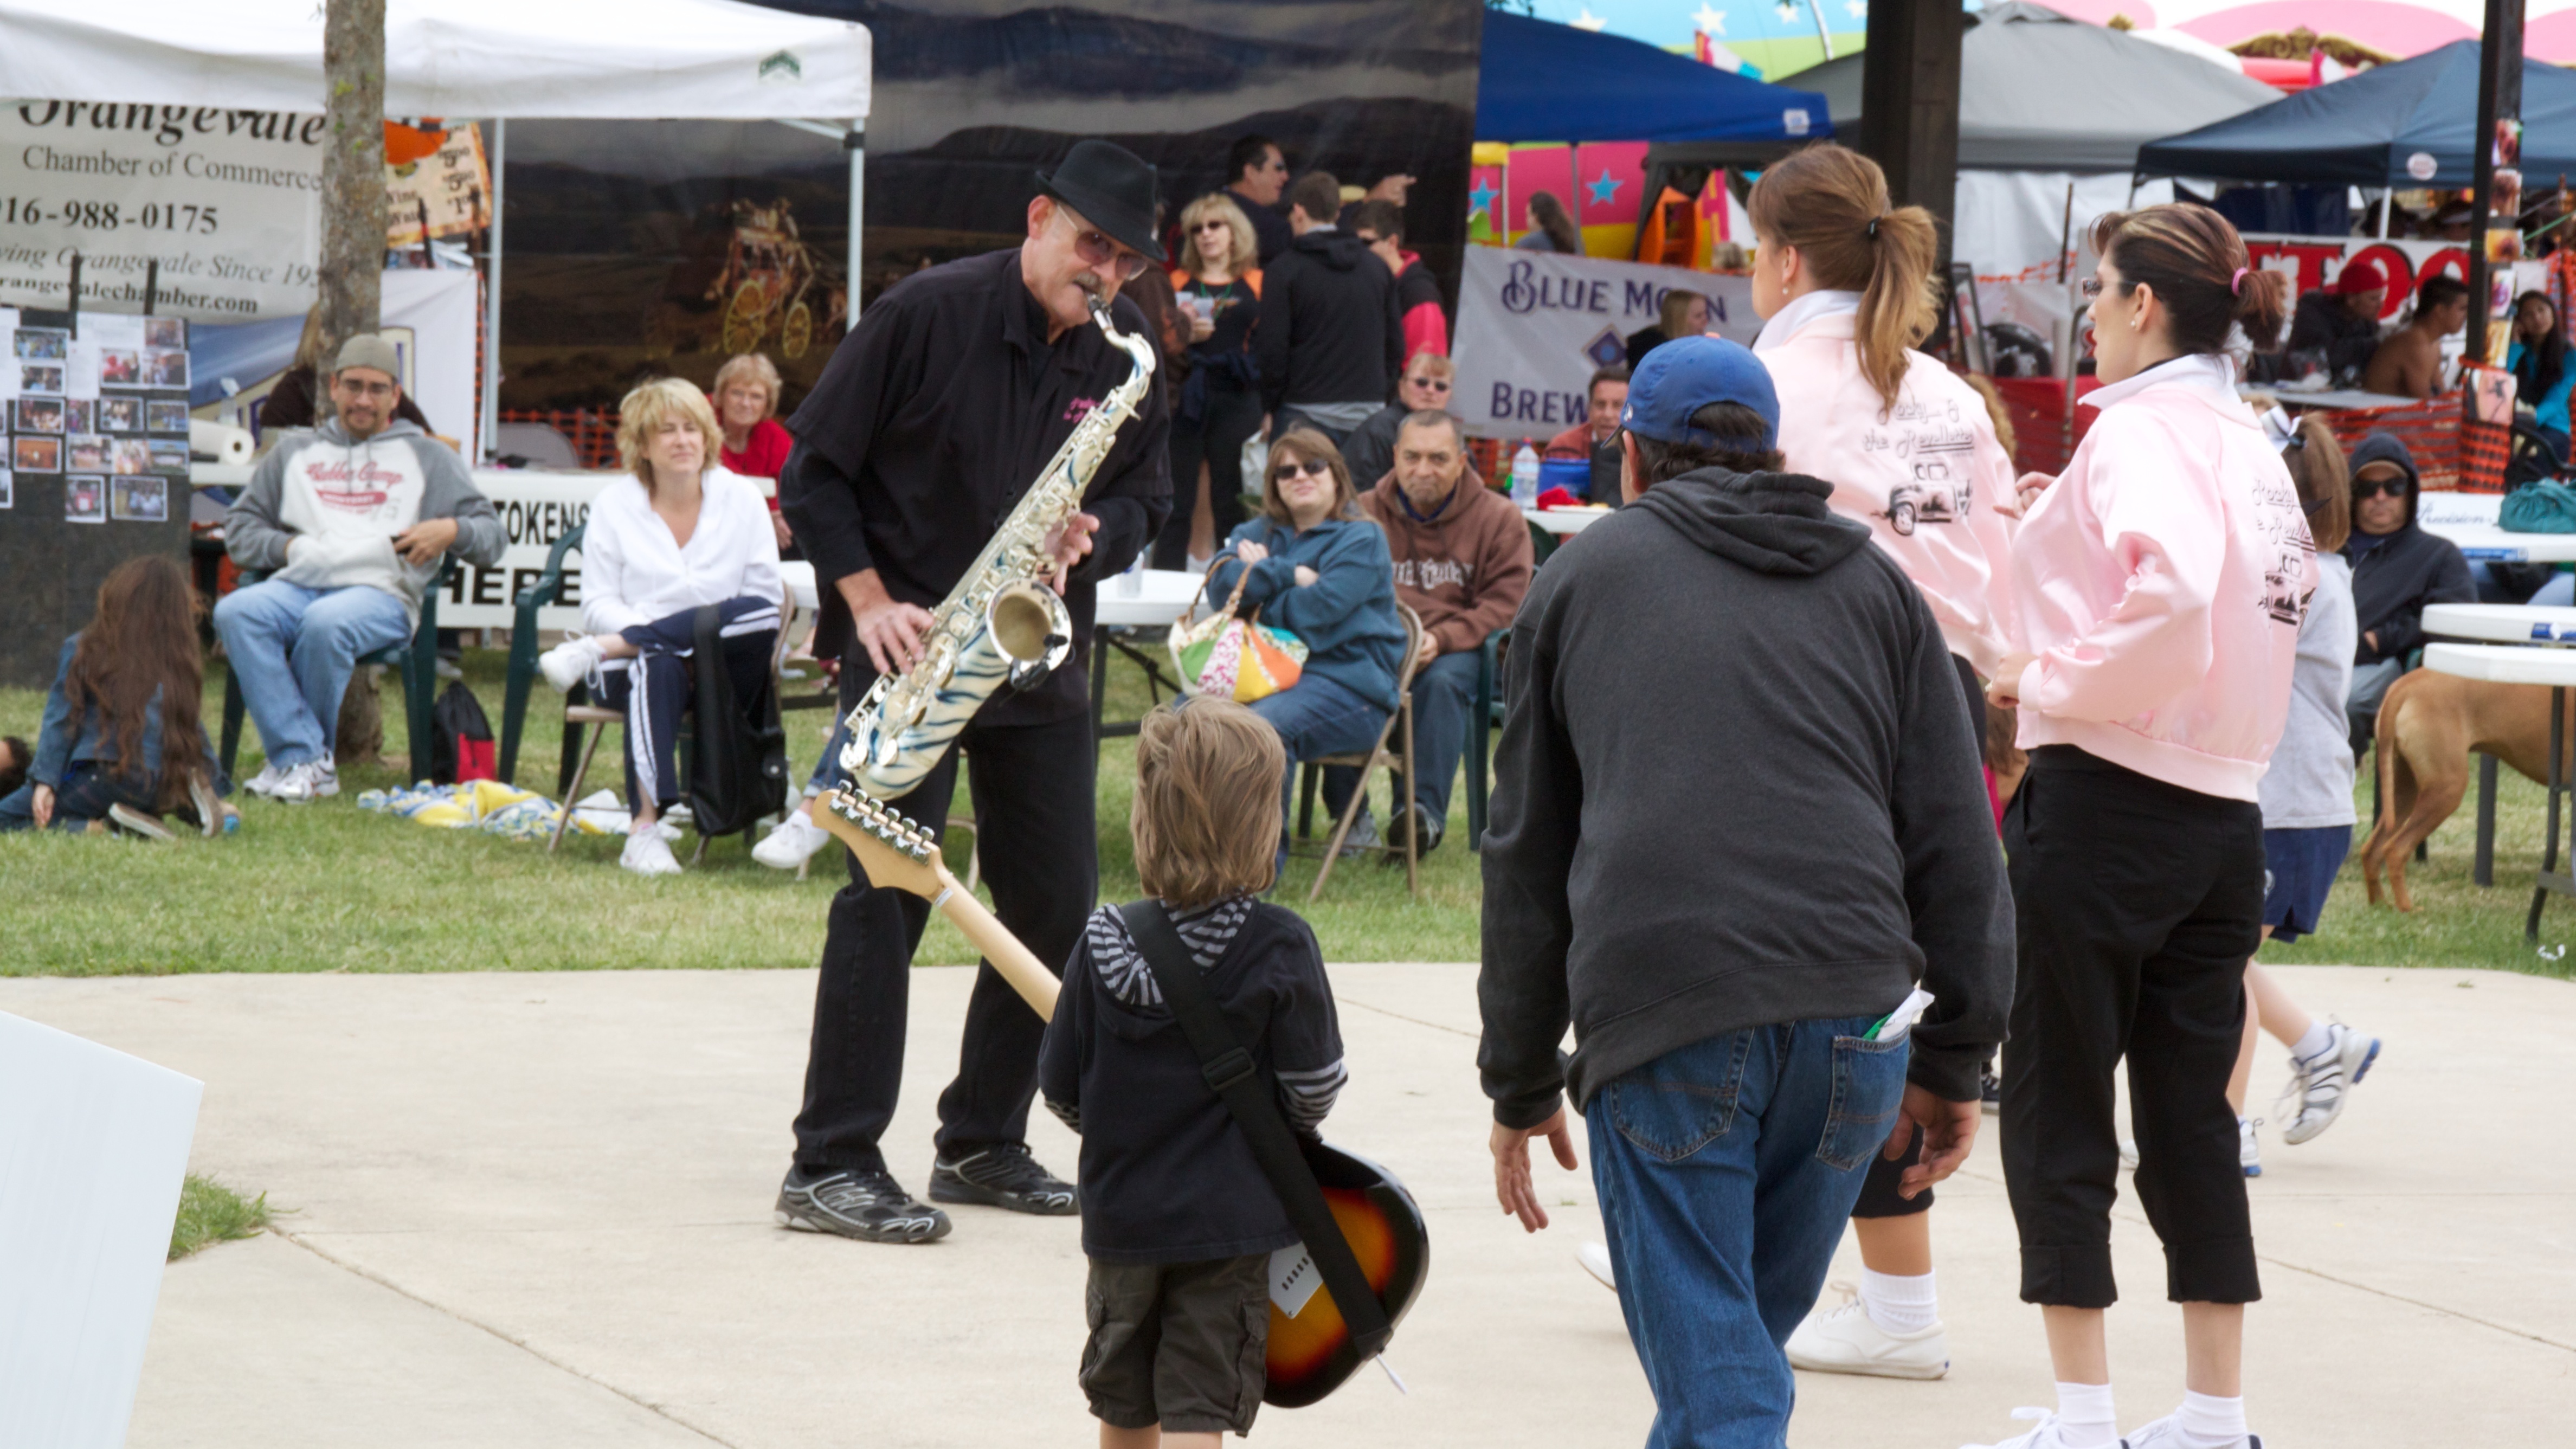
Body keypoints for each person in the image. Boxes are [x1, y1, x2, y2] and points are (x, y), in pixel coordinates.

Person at [1480, 334, 2009, 1449]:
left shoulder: (1583, 575)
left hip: (1671, 1010)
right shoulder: (1879, 582)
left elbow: (1528, 850)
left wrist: (1520, 1075)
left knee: (1725, 1389)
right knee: (1728, 1368)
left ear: (1632, 457)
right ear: (1775, 453)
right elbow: (1956, 838)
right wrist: (1954, 1053)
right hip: (1857, 1028)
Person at [769, 138, 1171, 1243]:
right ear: (1039, 218)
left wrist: (1096, 532)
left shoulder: (1127, 356)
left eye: (1128, 262)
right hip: (909, 645)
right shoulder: (923, 314)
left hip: (1034, 653)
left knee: (1053, 903)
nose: (1107, 275)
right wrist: (866, 601)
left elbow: (1146, 500)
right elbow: (812, 471)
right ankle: (829, 1160)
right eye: (1093, 245)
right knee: (885, 897)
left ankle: (983, 1140)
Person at [1975, 202, 2307, 1449]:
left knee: (2058, 1099)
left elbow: (2169, 596)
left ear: (2141, 304)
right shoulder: (2249, 441)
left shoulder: (2141, 430)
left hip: (2107, 797)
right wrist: (2055, 526)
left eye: (2096, 292)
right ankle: (2212, 1411)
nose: (2087, 318)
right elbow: (2210, 596)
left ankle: (2082, 1413)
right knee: (2190, 1115)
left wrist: (2043, 677)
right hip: (2220, 810)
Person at [1744, 140, 2021, 1383]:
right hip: (1945, 699)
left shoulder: (1765, 382)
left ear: (1780, 257)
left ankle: (1893, 1300)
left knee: (1816, 978)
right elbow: (2001, 580)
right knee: (1890, 976)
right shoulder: (1952, 395)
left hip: (1814, 698)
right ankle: (1766, 1241)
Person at [1037, 697, 1345, 1448]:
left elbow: (1062, 1091)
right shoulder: (1280, 945)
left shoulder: (1102, 940)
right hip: (1228, 1225)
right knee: (1198, 1404)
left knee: (1124, 1400)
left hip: (1122, 1221)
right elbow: (1313, 1088)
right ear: (1262, 823)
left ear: (1147, 818)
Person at [217, 334, 505, 803]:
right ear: (333, 387)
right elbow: (240, 529)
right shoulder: (295, 453)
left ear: (396, 395)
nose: (364, 400)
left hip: (382, 595)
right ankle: (306, 758)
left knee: (325, 622)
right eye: (353, 386)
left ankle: (300, 761)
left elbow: (493, 537)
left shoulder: (429, 457)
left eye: (377, 388)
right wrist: (289, 548)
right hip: (299, 585)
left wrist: (451, 529)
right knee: (237, 611)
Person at [535, 378, 784, 877]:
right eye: (667, 430)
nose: (683, 440)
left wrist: (657, 638)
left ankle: (603, 648)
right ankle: (644, 830)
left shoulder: (744, 497)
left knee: (756, 614)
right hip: (635, 671)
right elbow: (598, 602)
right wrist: (663, 639)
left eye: (692, 428)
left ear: (708, 436)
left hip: (724, 666)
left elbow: (763, 601)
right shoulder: (614, 504)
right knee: (658, 664)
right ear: (642, 446)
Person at [2227, 407, 2381, 1177]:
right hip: (2287, 801)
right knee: (2209, 956)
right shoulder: (2321, 572)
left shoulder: (2299, 580)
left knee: (2214, 969)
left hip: (2289, 808)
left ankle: (2225, 1128)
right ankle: (2323, 1047)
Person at [1208, 429, 1407, 866]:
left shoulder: (1362, 538)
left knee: (1264, 728)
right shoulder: (1257, 530)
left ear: (1336, 475)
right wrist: (1289, 574)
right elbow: (1220, 588)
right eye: (1286, 471)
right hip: (1264, 677)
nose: (1300, 476)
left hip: (1350, 687)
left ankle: (1253, 871)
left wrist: (1259, 586)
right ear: (1274, 483)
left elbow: (1317, 613)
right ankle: (1193, 857)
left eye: (1313, 466)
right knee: (1187, 718)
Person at [1350, 409, 1530, 854]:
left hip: (1455, 648)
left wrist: (1441, 639)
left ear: (1462, 460)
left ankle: (1419, 818)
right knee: (1338, 674)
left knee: (1441, 681)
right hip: (1378, 642)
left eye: (1438, 458)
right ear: (1395, 456)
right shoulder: (1362, 511)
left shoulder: (1500, 517)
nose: (1423, 469)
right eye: (1412, 457)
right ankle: (1350, 817)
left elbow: (1506, 604)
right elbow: (1342, 588)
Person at [2, 556, 224, 839]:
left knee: (7, 817)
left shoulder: (85, 647)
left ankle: (103, 828)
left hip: (108, 776)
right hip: (163, 785)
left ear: (115, 597)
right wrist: (215, 786)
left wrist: (44, 781)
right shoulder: (178, 663)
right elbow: (192, 726)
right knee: (141, 794)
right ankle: (153, 815)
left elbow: (62, 719)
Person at [1154, 192, 1265, 572]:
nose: (1206, 234)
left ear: (1234, 232)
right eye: (1197, 229)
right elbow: (1159, 343)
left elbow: (1270, 344)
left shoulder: (1257, 282)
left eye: (1214, 225)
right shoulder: (1176, 280)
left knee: (1231, 499)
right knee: (1176, 500)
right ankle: (1163, 587)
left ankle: (1235, 585)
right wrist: (1186, 336)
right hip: (1188, 395)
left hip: (1238, 395)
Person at [2342, 432, 2471, 752]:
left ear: (2410, 491)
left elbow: (2457, 628)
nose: (2381, 497)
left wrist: (2382, 639)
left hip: (2387, 666)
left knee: (2344, 702)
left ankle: (2330, 785)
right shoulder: (2328, 549)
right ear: (2351, 494)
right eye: (2368, 488)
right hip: (2317, 658)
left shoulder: (2439, 555)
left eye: (2394, 486)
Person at [1258, 171, 1403, 448]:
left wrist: (1270, 405)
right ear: (1338, 213)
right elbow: (1395, 344)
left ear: (1298, 211)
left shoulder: (1283, 271)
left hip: (1302, 411)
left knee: (1296, 477)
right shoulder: (1378, 268)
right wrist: (1378, 395)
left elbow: (1272, 349)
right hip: (1368, 412)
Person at [256, 306, 433, 436]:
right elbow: (272, 440)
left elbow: (426, 437)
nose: (364, 400)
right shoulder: (294, 388)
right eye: (352, 386)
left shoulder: (381, 383)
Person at [713, 352, 797, 553]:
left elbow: (793, 486)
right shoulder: (700, 423)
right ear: (721, 395)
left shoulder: (775, 437)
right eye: (737, 393)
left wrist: (777, 513)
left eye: (756, 396)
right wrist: (764, 514)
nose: (746, 403)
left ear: (767, 404)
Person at [1338, 352, 1456, 492]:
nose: (1430, 390)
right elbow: (1360, 489)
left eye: (1441, 386)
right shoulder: (1379, 430)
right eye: (1421, 383)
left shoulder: (1453, 434)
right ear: (1402, 387)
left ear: (1450, 395)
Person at [1352, 198, 1449, 362]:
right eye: (1353, 244)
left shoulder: (1419, 297)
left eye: (1366, 243)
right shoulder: (1368, 282)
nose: (1358, 251)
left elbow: (1425, 371)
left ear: (1392, 243)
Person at [2279, 257, 2386, 387]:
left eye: (2380, 298)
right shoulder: (2313, 313)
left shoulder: (2364, 320)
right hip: (2298, 390)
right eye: (2373, 299)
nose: (2380, 305)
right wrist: (2376, 344)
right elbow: (2323, 355)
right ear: (2351, 299)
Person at [2362, 274, 2471, 399]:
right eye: (2462, 309)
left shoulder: (2431, 342)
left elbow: (2442, 397)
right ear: (2440, 310)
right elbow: (2426, 402)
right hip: (2378, 410)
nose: (2466, 316)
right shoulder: (2415, 342)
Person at [1543, 365, 1628, 503]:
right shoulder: (1562, 446)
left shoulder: (1644, 449)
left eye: (1618, 405)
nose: (1608, 415)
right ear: (1589, 409)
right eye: (1600, 404)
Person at [2510, 289, 2572, 459]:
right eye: (2528, 314)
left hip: (2553, 430)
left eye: (2541, 310)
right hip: (2517, 427)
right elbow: (2501, 378)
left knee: (2531, 454)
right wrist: (2515, 344)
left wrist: (2530, 419)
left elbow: (2556, 399)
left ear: (2552, 312)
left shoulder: (2569, 355)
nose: (2537, 318)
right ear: (2520, 321)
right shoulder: (2518, 350)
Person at [1222, 133, 1294, 267]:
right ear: (1251, 172)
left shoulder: (1214, 206)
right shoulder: (1269, 227)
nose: (1285, 176)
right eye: (1278, 168)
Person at [1625, 288, 1710, 371]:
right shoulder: (1652, 352)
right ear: (1678, 319)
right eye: (1698, 316)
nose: (1706, 321)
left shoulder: (1700, 349)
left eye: (1706, 314)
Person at [1514, 190, 1580, 254]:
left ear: (1536, 217)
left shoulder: (1528, 244)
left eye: (1528, 215)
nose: (1527, 221)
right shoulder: (1573, 241)